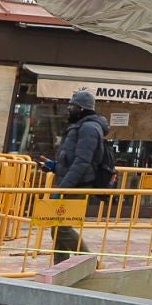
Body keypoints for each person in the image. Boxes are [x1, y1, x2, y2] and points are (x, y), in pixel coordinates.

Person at [41, 90, 112, 258]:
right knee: (58, 230)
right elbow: (72, 160)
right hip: (72, 183)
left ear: (81, 108)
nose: (68, 109)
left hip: (77, 185)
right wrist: (54, 167)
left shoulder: (89, 128)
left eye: (72, 106)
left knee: (61, 228)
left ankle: (89, 262)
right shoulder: (82, 126)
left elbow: (82, 162)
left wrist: (63, 188)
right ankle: (61, 271)